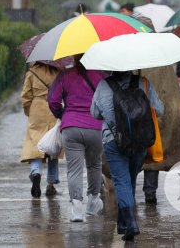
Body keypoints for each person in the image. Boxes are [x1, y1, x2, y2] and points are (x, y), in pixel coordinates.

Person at [91, 71, 164, 241]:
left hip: (113, 140)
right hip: (139, 141)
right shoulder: (143, 83)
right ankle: (124, 222)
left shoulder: (104, 85)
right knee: (129, 180)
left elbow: (94, 113)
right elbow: (159, 110)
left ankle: (129, 222)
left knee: (122, 181)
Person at [48, 55, 106, 222]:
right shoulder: (101, 75)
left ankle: (77, 209)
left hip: (71, 127)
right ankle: (93, 201)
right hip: (95, 127)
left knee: (74, 168)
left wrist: (63, 116)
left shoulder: (64, 75)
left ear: (74, 57)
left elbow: (52, 101)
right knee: (94, 164)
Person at [140, 65, 180, 204]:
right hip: (154, 115)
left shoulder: (126, 56)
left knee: (134, 157)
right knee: (153, 153)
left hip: (134, 117)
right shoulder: (161, 61)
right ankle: (150, 191)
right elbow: (167, 94)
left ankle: (133, 194)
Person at [19, 62, 62, 198]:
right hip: (53, 108)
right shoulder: (58, 72)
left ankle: (36, 172)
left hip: (37, 109)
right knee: (53, 145)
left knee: (35, 144)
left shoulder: (32, 73)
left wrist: (29, 111)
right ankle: (51, 183)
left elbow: (26, 96)